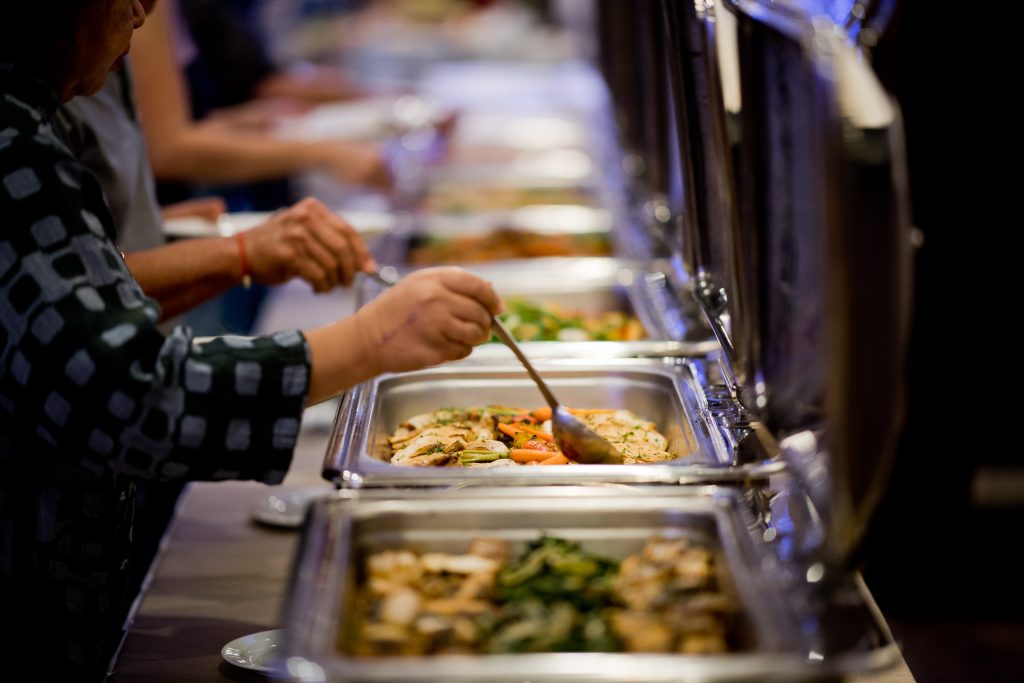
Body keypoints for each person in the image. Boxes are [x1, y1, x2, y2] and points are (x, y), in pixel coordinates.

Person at [0, 2, 502, 680]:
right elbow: (131, 392)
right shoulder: (11, 144)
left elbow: (69, 307)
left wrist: (187, 251)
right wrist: (373, 336)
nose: (149, 10)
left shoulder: (29, 120)